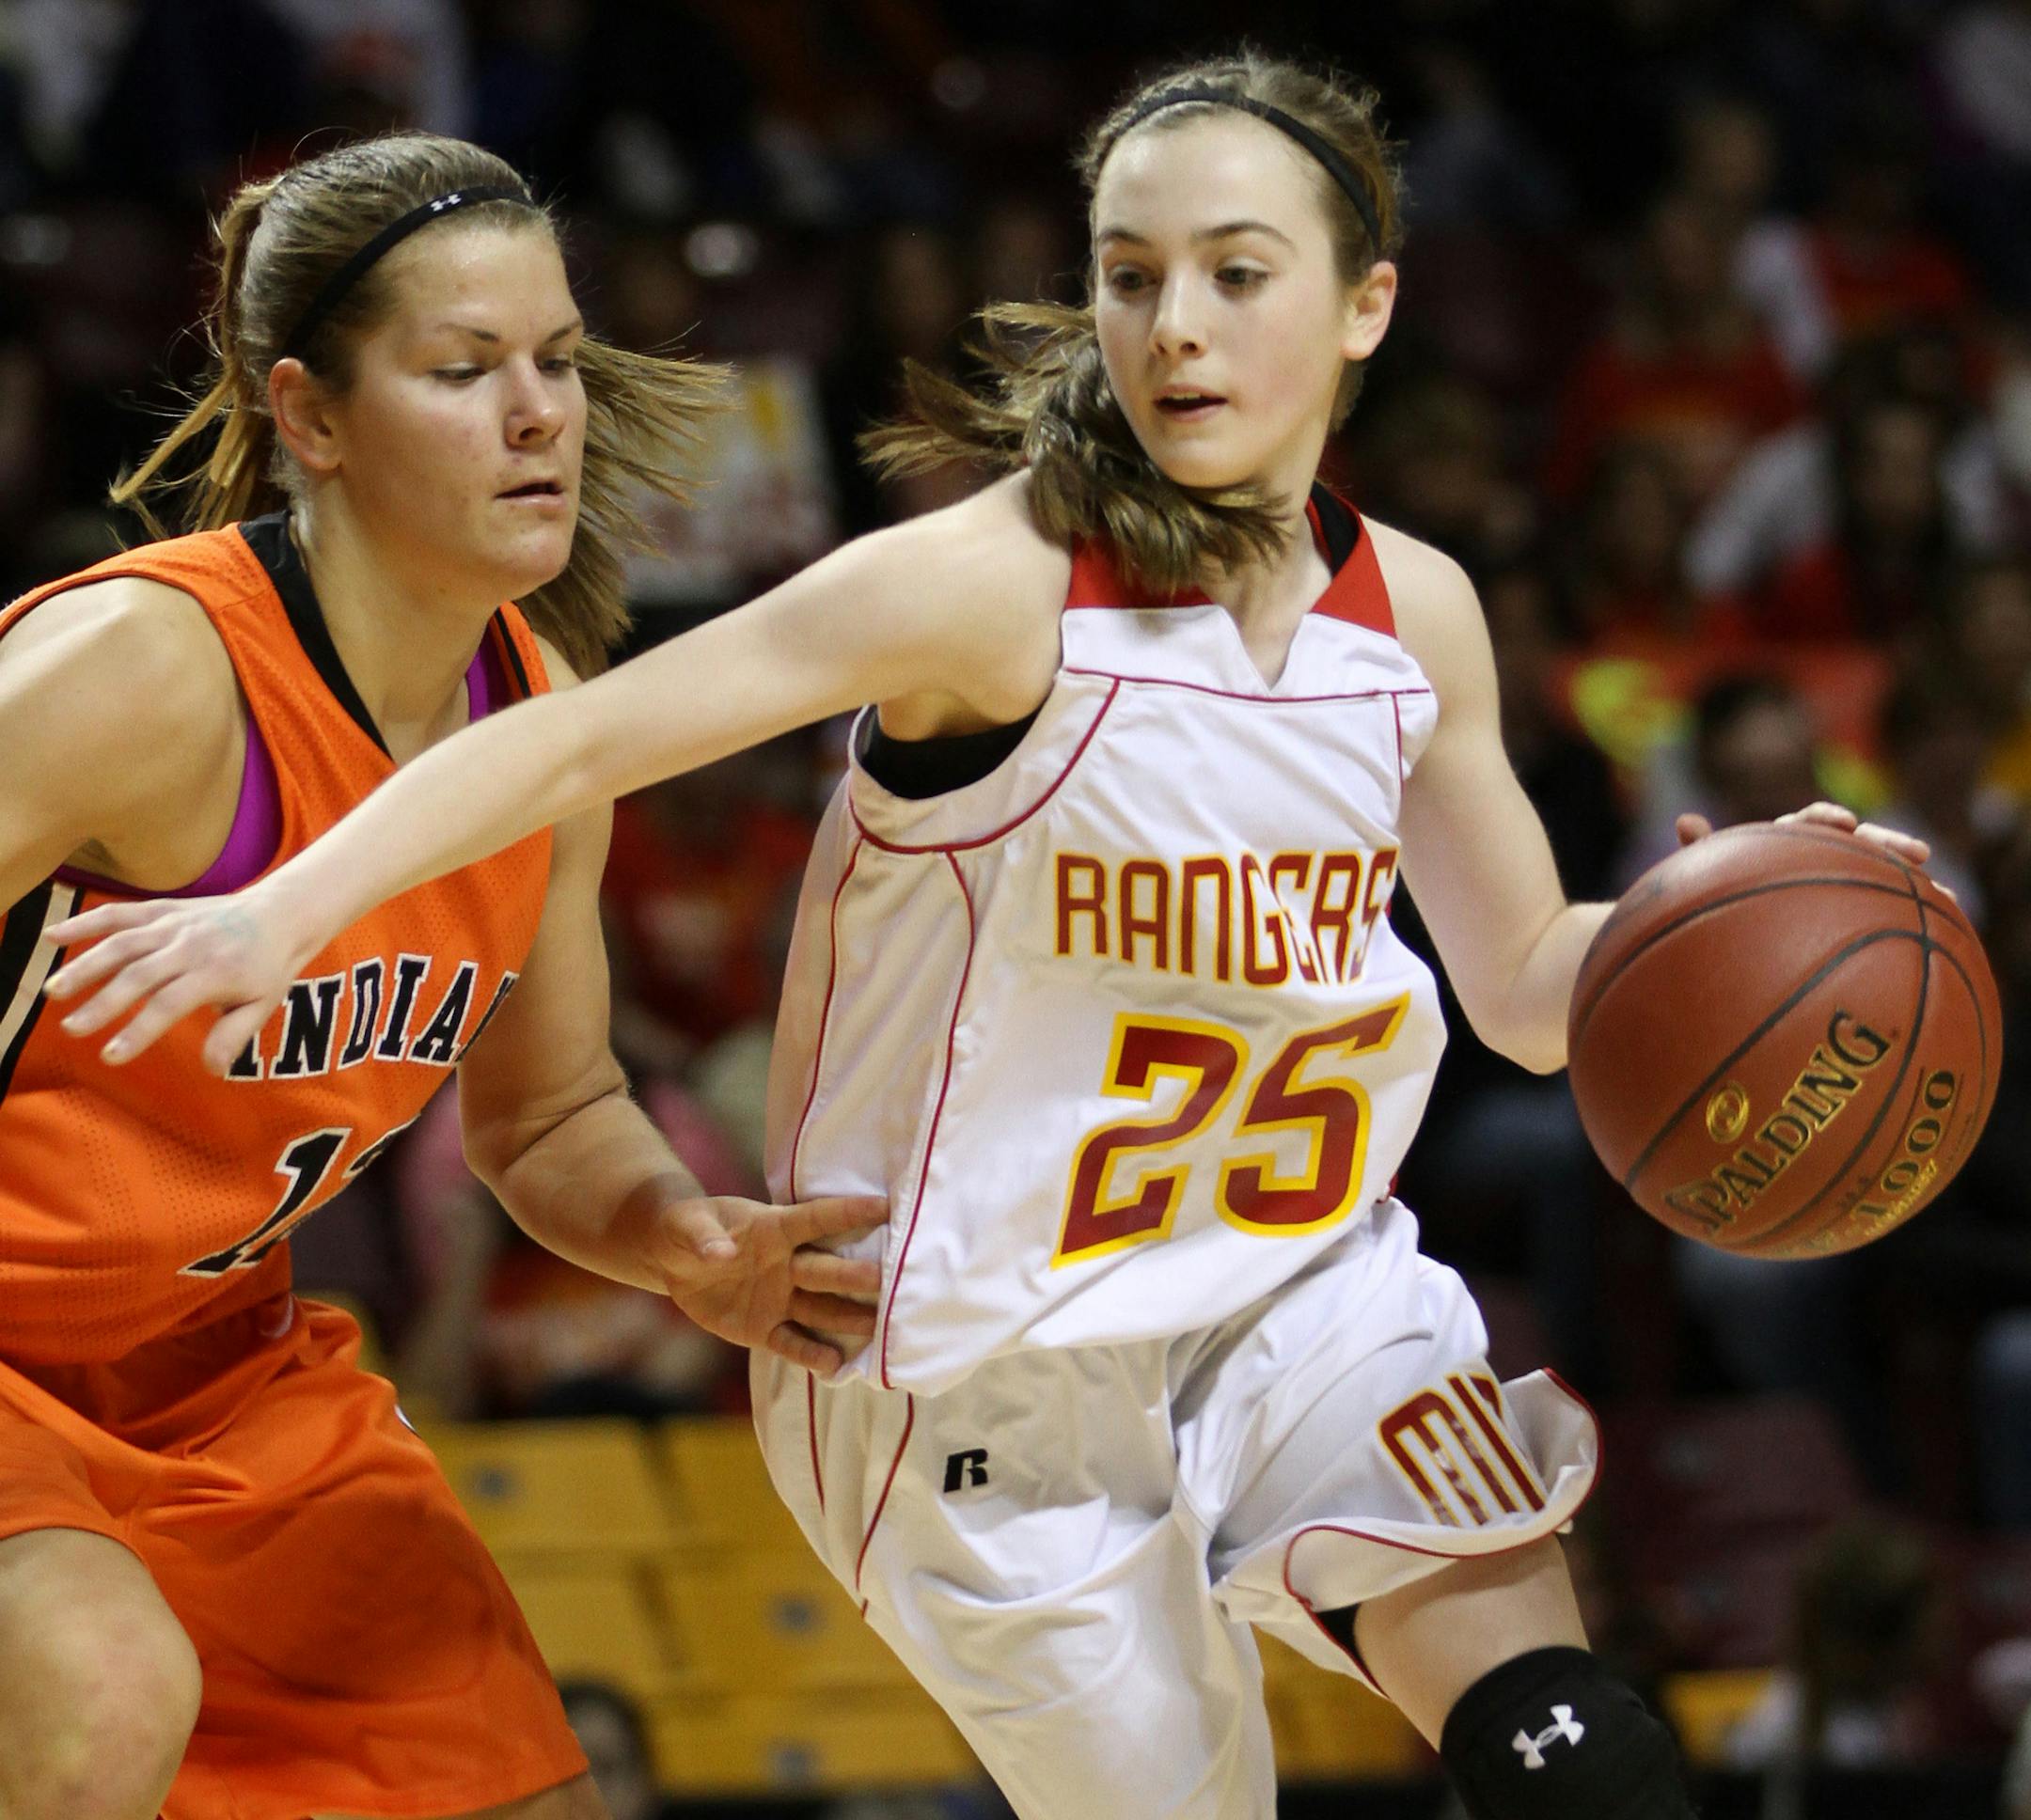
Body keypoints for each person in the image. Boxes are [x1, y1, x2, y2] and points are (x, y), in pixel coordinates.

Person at [45, 55, 1932, 1820]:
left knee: (1584, 1755)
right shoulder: (985, 587)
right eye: (1134, 273)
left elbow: (1526, 980)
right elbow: (582, 737)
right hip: (973, 1361)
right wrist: (282, 899)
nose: (1178, 321)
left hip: (1291, 1293)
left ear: (1366, 303)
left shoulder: (1412, 613)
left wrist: (1739, 903)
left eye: (1239, 271)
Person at [0, 133, 882, 1820]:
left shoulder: (542, 719)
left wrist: (678, 1238)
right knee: (102, 1700)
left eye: (555, 360)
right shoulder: (144, 673)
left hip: (216, 1366)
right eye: (465, 371)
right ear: (309, 418)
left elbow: (550, 1113)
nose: (541, 411)